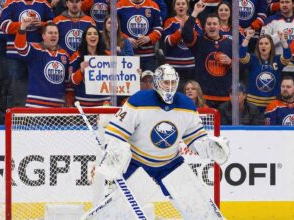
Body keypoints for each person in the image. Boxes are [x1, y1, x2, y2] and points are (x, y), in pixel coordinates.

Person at [97, 64, 229, 219]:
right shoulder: (139, 100)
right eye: (166, 82)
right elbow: (116, 131)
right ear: (157, 82)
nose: (170, 87)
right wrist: (114, 149)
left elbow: (195, 138)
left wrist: (209, 146)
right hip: (137, 162)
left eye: (173, 83)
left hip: (169, 164)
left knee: (199, 209)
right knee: (117, 213)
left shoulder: (186, 105)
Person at [0, 0, 54, 107]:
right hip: (15, 54)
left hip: (37, 54)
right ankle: (13, 118)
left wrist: (42, 25)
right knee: (14, 88)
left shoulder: (43, 3)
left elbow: (53, 24)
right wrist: (22, 24)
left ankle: (34, 117)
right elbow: (4, 26)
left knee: (37, 87)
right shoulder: (11, 2)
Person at [182, 1, 232, 108]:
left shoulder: (229, 43)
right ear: (204, 27)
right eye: (209, 24)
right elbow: (186, 34)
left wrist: (231, 62)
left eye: (214, 24)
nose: (212, 26)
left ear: (220, 26)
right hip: (204, 98)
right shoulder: (199, 42)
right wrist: (195, 13)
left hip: (225, 98)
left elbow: (241, 66)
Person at [14, 21, 70, 107]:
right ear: (43, 36)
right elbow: (20, 48)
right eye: (50, 33)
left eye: (56, 33)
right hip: (36, 104)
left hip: (58, 106)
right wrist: (22, 29)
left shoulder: (64, 55)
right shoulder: (35, 49)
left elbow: (67, 80)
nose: (54, 35)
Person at [240, 29, 291, 112]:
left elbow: (288, 56)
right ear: (258, 46)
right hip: (253, 105)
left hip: (273, 106)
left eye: (266, 43)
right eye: (261, 44)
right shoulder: (253, 59)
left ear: (271, 46)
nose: (263, 46)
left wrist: (283, 41)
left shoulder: (277, 60)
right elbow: (242, 56)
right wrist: (247, 38)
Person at [163, 0, 202, 92]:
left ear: (187, 6)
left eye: (183, 4)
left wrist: (187, 29)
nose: (181, 6)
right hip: (173, 68)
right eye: (178, 4)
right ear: (174, 7)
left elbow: (199, 40)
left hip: (191, 67)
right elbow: (168, 42)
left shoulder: (195, 21)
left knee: (190, 95)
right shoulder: (170, 21)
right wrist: (180, 30)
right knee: (174, 95)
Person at [261, 0, 294, 75]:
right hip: (277, 65)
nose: (284, 5)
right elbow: (262, 43)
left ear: (293, 4)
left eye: (287, 2)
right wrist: (278, 37)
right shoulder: (270, 20)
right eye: (282, 2)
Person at [70, 26, 111, 107]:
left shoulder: (108, 55)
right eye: (89, 34)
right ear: (85, 38)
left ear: (99, 38)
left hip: (104, 104)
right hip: (83, 104)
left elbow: (120, 75)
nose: (93, 36)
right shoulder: (77, 56)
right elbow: (73, 81)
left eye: (95, 34)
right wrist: (81, 71)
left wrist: (134, 72)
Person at [117, 0, 163, 71]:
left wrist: (149, 37)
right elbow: (113, 29)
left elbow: (159, 29)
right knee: (129, 81)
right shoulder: (120, 6)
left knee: (148, 81)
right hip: (127, 55)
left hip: (148, 56)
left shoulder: (153, 6)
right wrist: (126, 39)